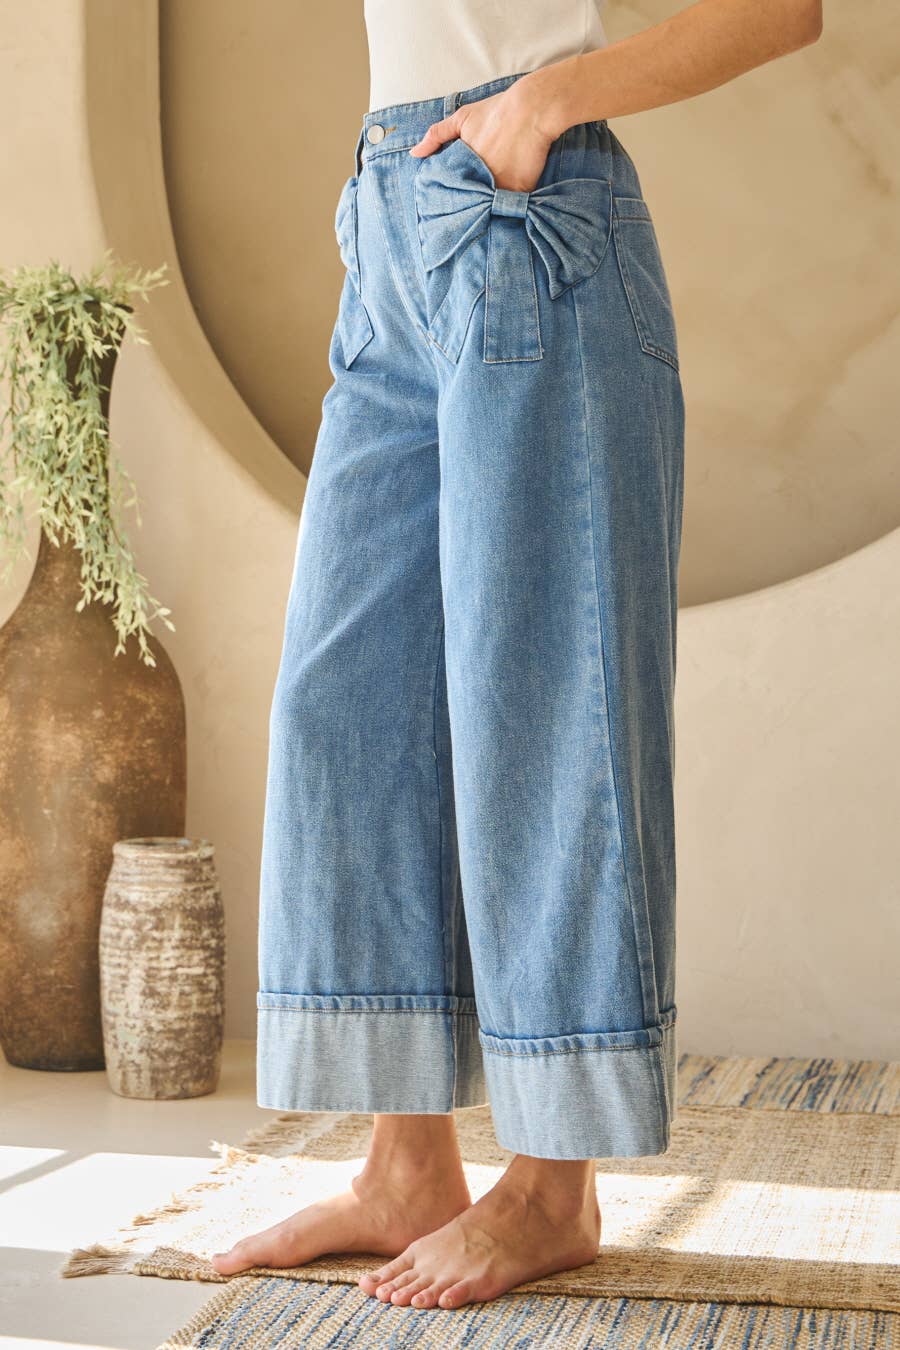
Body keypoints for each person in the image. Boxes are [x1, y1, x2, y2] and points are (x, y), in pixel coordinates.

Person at [212, 0, 823, 1312]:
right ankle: (405, 1168)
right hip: (392, 223)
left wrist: (548, 101)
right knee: (349, 705)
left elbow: (785, 12)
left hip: (527, 216)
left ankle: (553, 1187)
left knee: (546, 704)